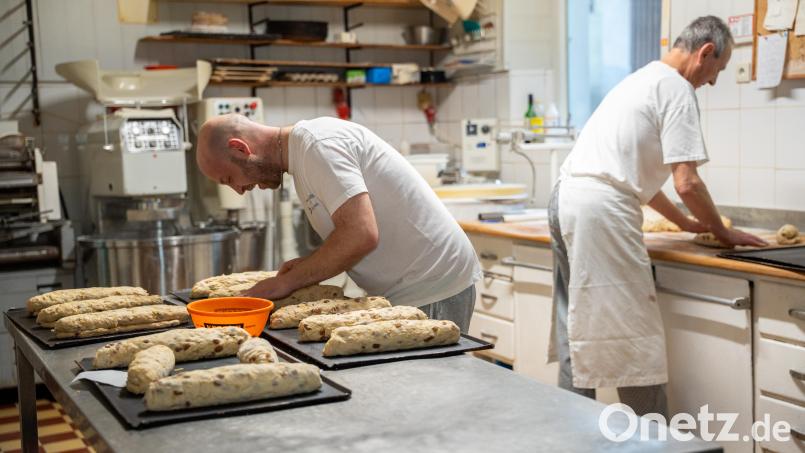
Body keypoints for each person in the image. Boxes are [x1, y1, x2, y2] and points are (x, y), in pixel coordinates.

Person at [548, 16, 767, 416]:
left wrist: (685, 224)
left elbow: (640, 181)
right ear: (705, 52)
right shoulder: (677, 88)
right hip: (600, 212)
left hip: (566, 199)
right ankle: (652, 438)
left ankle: (572, 432)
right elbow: (688, 183)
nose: (712, 82)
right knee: (632, 338)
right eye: (716, 70)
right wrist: (723, 232)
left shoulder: (641, 79)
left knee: (575, 330)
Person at [195, 115, 481, 332]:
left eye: (229, 179)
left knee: (428, 389)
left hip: (432, 284)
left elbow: (361, 234)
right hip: (408, 288)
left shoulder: (318, 146)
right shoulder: (304, 157)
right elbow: (350, 232)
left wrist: (285, 283)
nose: (238, 190)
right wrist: (307, 266)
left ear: (240, 148)